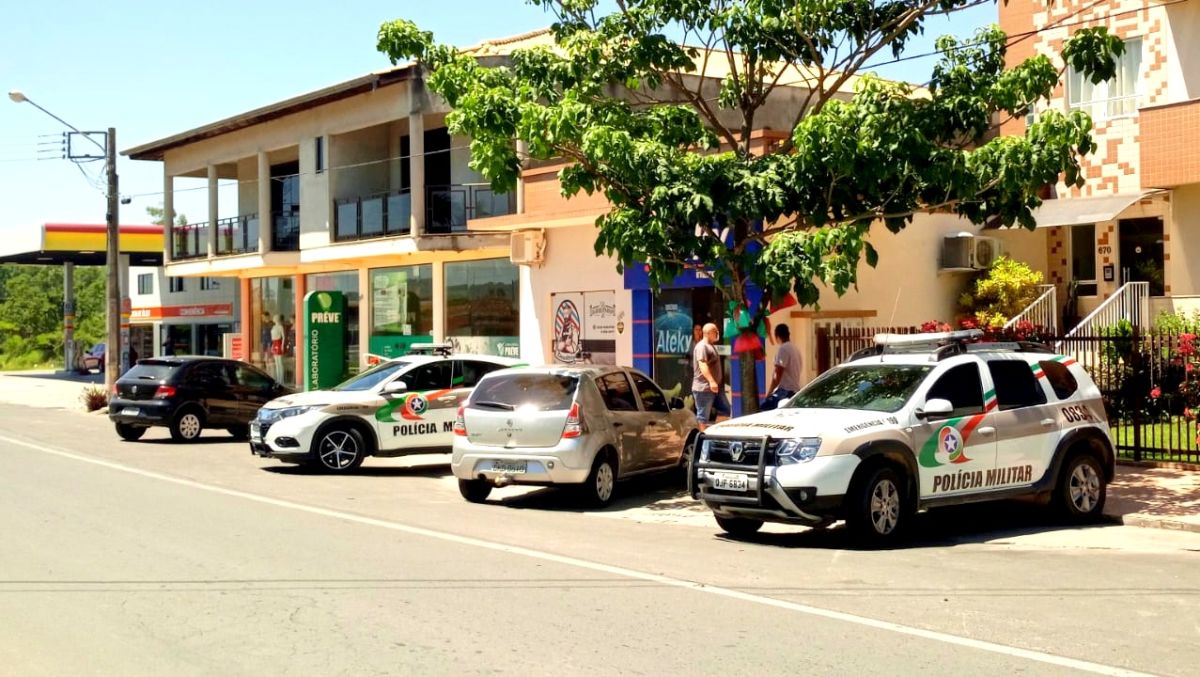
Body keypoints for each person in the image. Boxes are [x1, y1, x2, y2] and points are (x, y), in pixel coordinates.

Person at [692, 323, 730, 431]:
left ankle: (715, 434)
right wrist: (712, 381)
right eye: (715, 331)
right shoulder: (702, 346)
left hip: (715, 388)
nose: (717, 333)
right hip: (704, 388)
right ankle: (702, 441)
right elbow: (702, 365)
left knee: (725, 409)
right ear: (708, 333)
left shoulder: (710, 345)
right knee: (703, 417)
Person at [762, 323, 803, 411]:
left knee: (763, 409)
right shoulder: (795, 349)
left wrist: (769, 392)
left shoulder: (783, 349)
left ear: (777, 336)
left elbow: (777, 374)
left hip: (785, 391)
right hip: (795, 390)